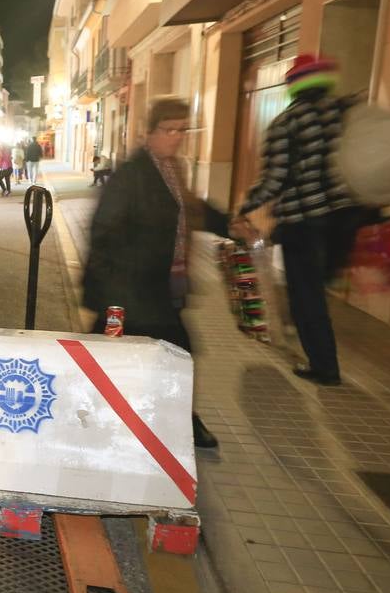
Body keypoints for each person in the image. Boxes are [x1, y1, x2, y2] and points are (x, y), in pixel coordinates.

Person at [82, 97, 234, 449]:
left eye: (183, 130)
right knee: (164, 354)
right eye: (169, 130)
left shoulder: (172, 169)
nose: (177, 137)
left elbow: (191, 209)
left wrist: (230, 225)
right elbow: (102, 231)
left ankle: (175, 420)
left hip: (162, 286)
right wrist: (108, 294)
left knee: (166, 354)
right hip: (131, 289)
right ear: (149, 132)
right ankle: (173, 422)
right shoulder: (132, 174)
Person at [234, 54, 364, 386]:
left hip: (304, 221)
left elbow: (276, 178)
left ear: (294, 86)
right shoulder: (344, 114)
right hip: (341, 219)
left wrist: (246, 205)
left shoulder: (287, 123)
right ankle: (318, 336)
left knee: (306, 295)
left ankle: (324, 366)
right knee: (316, 289)